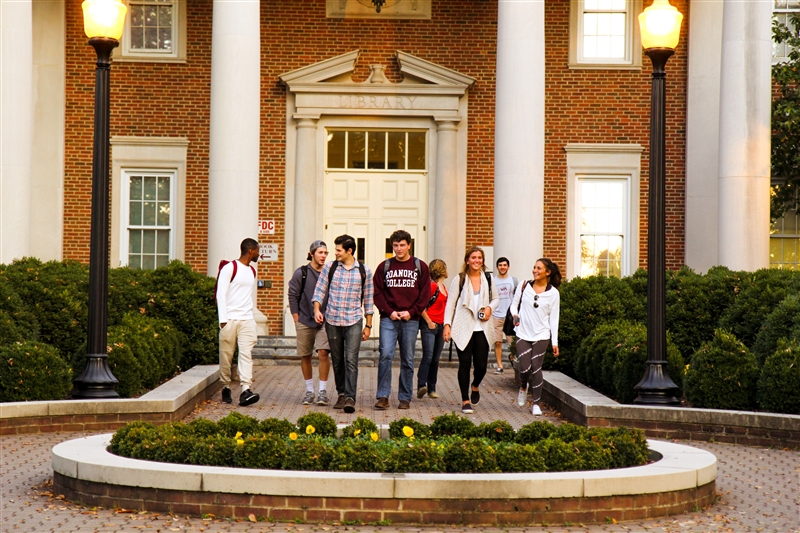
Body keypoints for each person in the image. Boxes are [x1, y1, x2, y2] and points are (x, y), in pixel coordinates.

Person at [312, 234, 374, 414]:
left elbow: (368, 301)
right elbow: (319, 291)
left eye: (339, 250)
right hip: (332, 319)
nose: (336, 253)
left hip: (354, 320)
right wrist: (317, 310)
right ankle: (341, 393)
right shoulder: (330, 268)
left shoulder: (364, 271)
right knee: (338, 360)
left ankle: (350, 397)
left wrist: (368, 325)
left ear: (349, 251)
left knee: (351, 359)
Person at [372, 230, 431, 410]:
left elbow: (424, 294)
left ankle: (405, 397)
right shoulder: (385, 266)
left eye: (402, 245)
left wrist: (412, 312)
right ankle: (383, 396)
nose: (398, 249)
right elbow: (377, 293)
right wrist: (389, 311)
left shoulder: (419, 266)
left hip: (410, 320)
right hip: (389, 319)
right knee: (386, 356)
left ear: (409, 245)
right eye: (395, 245)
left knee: (407, 359)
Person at [443, 246, 499, 414]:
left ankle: (475, 385)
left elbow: (496, 299)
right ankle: (465, 399)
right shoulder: (459, 279)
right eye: (473, 257)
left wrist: (489, 308)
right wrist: (447, 325)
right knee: (465, 364)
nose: (476, 260)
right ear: (467, 260)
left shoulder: (488, 279)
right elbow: (450, 304)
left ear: (483, 261)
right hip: (463, 327)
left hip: (481, 328)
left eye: (479, 258)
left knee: (481, 366)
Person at [510, 258, 561, 416]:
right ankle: (523, 387)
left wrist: (554, 342)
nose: (535, 270)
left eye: (539, 268)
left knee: (536, 367)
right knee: (525, 368)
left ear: (548, 272)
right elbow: (513, 304)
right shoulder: (524, 285)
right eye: (534, 267)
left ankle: (536, 404)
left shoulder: (553, 293)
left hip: (542, 335)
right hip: (523, 333)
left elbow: (554, 318)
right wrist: (515, 315)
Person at [216, 238, 261, 407]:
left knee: (246, 354)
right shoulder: (229, 268)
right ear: (250, 251)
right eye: (257, 250)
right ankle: (226, 386)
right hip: (229, 320)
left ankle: (245, 390)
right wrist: (223, 320)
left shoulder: (252, 271)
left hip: (247, 319)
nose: (259, 253)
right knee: (226, 356)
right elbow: (221, 294)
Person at [288, 240, 331, 406]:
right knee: (306, 355)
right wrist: (295, 317)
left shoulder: (329, 272)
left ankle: (322, 391)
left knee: (323, 353)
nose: (323, 256)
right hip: (305, 319)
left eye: (326, 253)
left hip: (325, 320)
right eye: (320, 252)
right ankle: (309, 391)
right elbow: (293, 295)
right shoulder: (302, 273)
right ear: (312, 253)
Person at [417, 258, 448, 400]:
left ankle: (432, 388)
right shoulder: (432, 286)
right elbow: (421, 306)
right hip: (429, 325)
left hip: (441, 326)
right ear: (442, 269)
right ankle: (421, 385)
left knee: (435, 359)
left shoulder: (444, 288)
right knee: (428, 356)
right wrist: (429, 322)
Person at [491, 257, 518, 374]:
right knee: (497, 342)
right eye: (500, 265)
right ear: (497, 267)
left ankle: (512, 357)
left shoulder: (514, 280)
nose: (502, 267)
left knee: (513, 342)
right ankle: (500, 365)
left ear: (508, 267)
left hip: (509, 316)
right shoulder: (493, 281)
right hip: (496, 315)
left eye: (504, 265)